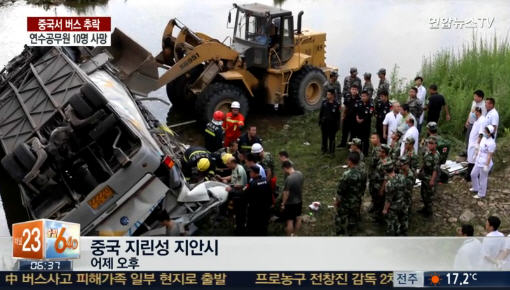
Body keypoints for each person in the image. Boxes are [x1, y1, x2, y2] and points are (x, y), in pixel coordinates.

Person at [335, 152, 366, 235]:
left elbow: (340, 190)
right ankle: (351, 233)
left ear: (350, 161)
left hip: (345, 202)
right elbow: (363, 186)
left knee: (340, 219)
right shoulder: (363, 173)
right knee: (353, 219)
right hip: (356, 201)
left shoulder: (347, 175)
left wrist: (337, 201)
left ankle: (340, 234)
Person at [245, 165, 273, 236]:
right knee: (263, 226)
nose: (249, 174)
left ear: (254, 173)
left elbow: (247, 196)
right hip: (265, 209)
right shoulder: (266, 181)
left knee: (253, 227)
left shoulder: (253, 183)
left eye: (250, 172)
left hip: (255, 210)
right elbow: (270, 194)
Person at [223, 157, 248, 235]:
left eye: (228, 163)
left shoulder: (239, 170)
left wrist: (229, 186)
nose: (227, 165)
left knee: (238, 211)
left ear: (233, 163)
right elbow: (232, 177)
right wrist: (223, 178)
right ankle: (233, 223)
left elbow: (240, 185)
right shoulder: (234, 168)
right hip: (235, 191)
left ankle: (239, 227)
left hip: (239, 194)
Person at [470, 125, 496, 199]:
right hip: (479, 160)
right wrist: (476, 154)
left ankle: (481, 194)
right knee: (473, 174)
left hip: (485, 162)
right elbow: (480, 148)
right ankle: (476, 187)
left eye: (485, 131)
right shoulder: (484, 138)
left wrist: (486, 165)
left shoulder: (492, 143)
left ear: (489, 133)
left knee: (483, 178)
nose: (484, 132)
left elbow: (489, 155)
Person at [382, 161, 407, 236]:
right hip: (402, 203)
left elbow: (388, 199)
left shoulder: (389, 184)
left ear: (385, 171)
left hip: (394, 206)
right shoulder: (401, 177)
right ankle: (403, 232)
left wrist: (385, 209)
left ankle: (392, 235)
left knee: (391, 222)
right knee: (403, 219)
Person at [281, 161, 304, 236]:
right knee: (298, 218)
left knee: (290, 221)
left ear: (285, 168)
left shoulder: (289, 178)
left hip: (290, 203)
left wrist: (283, 203)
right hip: (299, 201)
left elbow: (286, 193)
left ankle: (289, 238)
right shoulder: (300, 174)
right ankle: (295, 235)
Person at [418, 137, 439, 216]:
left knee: (429, 195)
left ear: (435, 145)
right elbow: (424, 161)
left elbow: (435, 169)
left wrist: (432, 180)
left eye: (431, 143)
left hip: (430, 177)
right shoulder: (427, 152)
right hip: (425, 176)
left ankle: (428, 211)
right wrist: (420, 170)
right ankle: (425, 207)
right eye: (429, 143)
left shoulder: (436, 156)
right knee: (423, 193)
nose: (429, 145)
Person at [372, 144, 392, 222]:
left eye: (381, 151)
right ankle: (377, 214)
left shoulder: (386, 163)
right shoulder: (381, 159)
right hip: (377, 184)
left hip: (381, 185)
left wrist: (382, 189)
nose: (379, 152)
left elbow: (386, 178)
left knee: (381, 201)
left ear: (384, 153)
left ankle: (380, 218)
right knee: (377, 200)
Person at [466, 108, 486, 181]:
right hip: (472, 143)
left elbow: (481, 133)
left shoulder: (482, 120)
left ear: (478, 112)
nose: (473, 114)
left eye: (474, 112)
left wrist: (478, 144)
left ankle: (471, 177)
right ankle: (469, 176)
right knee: (471, 160)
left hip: (475, 144)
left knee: (473, 161)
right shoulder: (477, 120)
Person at [319, 89, 341, 154]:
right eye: (327, 94)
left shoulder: (337, 104)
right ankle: (324, 149)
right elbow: (321, 113)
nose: (327, 95)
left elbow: (338, 116)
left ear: (332, 95)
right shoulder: (324, 102)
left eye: (329, 94)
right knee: (324, 137)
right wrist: (320, 121)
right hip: (324, 123)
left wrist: (338, 125)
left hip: (332, 124)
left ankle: (331, 151)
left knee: (332, 138)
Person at [353, 90, 374, 155]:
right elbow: (355, 111)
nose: (363, 98)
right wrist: (357, 117)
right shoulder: (359, 103)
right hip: (358, 124)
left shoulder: (371, 105)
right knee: (358, 138)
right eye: (362, 96)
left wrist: (362, 120)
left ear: (368, 97)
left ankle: (365, 153)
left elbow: (369, 115)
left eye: (364, 96)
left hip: (366, 125)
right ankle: (358, 152)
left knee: (365, 139)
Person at [367, 133, 382, 213]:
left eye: (374, 138)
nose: (371, 139)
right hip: (373, 174)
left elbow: (374, 163)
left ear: (378, 139)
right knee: (372, 191)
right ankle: (374, 204)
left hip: (377, 175)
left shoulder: (378, 150)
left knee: (376, 191)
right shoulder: (374, 148)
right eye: (371, 138)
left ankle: (377, 208)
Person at [398, 155, 415, 223]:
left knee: (406, 209)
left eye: (402, 164)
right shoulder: (402, 170)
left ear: (407, 164)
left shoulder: (410, 175)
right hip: (401, 194)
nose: (400, 165)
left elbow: (407, 188)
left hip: (406, 195)